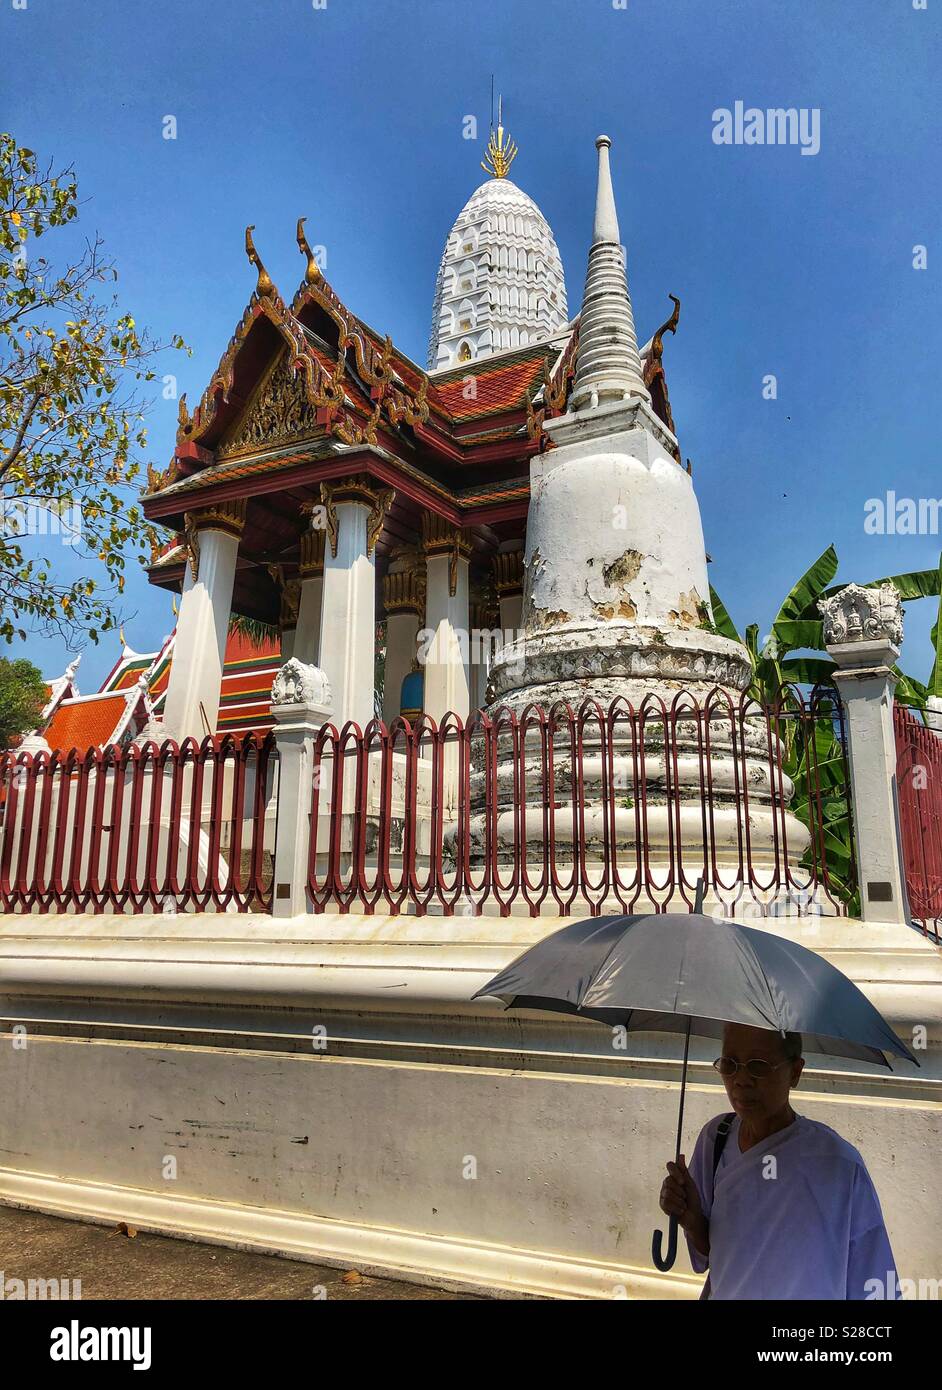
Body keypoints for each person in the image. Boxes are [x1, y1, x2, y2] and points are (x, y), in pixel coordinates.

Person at [659, 1023, 899, 1300]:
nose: (741, 1079)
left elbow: (873, 1278)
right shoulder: (716, 1138)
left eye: (758, 1066)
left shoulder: (838, 1163)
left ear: (795, 1072)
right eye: (729, 1064)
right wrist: (690, 1219)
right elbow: (713, 1253)